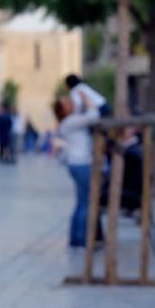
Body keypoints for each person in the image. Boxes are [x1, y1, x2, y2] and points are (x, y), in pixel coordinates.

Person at [54, 90, 104, 248]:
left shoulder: (69, 122)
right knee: (86, 202)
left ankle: (76, 239)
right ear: (63, 110)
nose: (71, 102)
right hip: (81, 164)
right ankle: (83, 240)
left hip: (76, 164)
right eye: (67, 102)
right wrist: (85, 98)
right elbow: (94, 116)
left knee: (81, 202)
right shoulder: (71, 121)